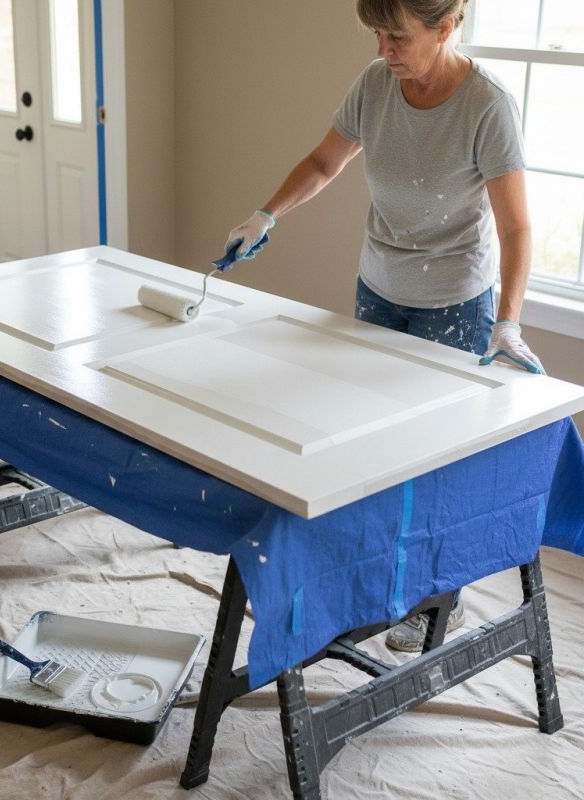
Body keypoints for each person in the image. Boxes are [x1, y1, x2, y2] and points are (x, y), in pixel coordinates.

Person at [225, 0, 545, 652]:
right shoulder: (376, 85)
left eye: (397, 37)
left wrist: (507, 322)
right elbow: (323, 163)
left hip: (454, 302)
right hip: (380, 289)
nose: (383, 51)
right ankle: (377, 586)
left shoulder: (486, 106)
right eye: (377, 35)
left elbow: (516, 227)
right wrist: (267, 213)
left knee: (434, 461)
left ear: (446, 28)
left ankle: (438, 601)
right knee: (370, 446)